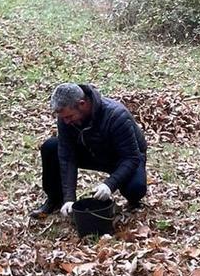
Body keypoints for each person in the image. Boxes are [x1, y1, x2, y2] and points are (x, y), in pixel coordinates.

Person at [31, 83, 148, 217]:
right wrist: (69, 198)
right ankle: (56, 199)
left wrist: (110, 185)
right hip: (92, 151)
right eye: (63, 118)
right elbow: (67, 155)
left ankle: (133, 199)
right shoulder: (65, 118)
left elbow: (131, 157)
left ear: (82, 104)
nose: (66, 122)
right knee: (51, 147)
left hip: (122, 157)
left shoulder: (116, 116)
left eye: (69, 117)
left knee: (135, 189)